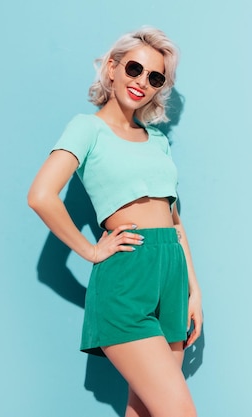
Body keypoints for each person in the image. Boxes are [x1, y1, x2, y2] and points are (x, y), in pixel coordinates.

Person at [28, 27, 201, 417]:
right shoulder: (86, 128)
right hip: (127, 278)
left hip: (171, 277)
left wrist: (194, 290)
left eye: (154, 77)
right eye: (134, 69)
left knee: (144, 411)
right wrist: (90, 249)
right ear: (111, 67)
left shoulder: (157, 140)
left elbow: (175, 221)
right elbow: (40, 195)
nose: (142, 82)